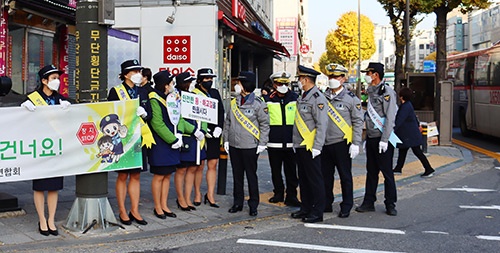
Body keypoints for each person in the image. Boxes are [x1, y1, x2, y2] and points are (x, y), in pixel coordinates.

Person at [21, 64, 71, 236]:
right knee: (40, 186)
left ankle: (51, 219)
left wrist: (69, 108)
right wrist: (23, 110)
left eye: (58, 78)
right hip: (40, 149)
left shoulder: (62, 99)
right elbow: (20, 122)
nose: (57, 81)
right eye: (53, 78)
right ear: (44, 80)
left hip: (56, 149)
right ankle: (42, 219)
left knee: (54, 186)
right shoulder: (32, 99)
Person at [107, 59, 150, 225]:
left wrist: (144, 114)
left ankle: (135, 210)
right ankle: (122, 210)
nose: (138, 74)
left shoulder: (143, 91)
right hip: (123, 139)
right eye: (134, 72)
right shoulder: (116, 91)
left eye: (139, 71)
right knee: (123, 175)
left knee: (136, 175)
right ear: (125, 74)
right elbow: (110, 114)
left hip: (139, 137)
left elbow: (150, 115)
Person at [223, 71, 270, 216]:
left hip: (250, 146)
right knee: (237, 175)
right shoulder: (233, 102)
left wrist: (262, 142)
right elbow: (227, 122)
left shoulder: (258, 103)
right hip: (234, 145)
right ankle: (237, 202)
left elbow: (265, 124)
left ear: (245, 85)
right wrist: (225, 139)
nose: (236, 85)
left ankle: (253, 204)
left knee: (251, 175)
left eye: (239, 83)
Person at [355, 62, 399, 216]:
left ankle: (390, 203)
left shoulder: (386, 91)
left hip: (383, 139)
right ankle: (368, 202)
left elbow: (390, 117)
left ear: (376, 75)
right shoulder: (370, 91)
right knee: (371, 172)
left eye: (369, 73)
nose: (366, 76)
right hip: (372, 138)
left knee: (387, 173)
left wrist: (385, 139)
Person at [321, 63, 363, 218]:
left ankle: (346, 204)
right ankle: (326, 202)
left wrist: (355, 143)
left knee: (345, 176)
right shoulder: (322, 97)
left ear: (344, 78)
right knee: (326, 175)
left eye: (336, 76)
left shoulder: (351, 99)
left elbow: (358, 121)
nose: (333, 79)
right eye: (331, 76)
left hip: (342, 143)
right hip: (324, 143)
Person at [147, 69, 188, 219]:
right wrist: (173, 139)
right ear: (165, 85)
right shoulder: (154, 99)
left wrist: (182, 133)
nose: (173, 85)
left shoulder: (172, 97)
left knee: (167, 175)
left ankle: (164, 205)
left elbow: (180, 118)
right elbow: (157, 124)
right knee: (159, 175)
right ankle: (157, 207)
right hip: (161, 144)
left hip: (173, 141)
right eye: (171, 83)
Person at [290, 65, 328, 223]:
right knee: (303, 178)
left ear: (306, 80)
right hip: (300, 145)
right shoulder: (303, 97)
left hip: (311, 146)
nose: (298, 81)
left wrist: (317, 146)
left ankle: (317, 211)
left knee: (315, 179)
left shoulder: (318, 98)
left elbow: (322, 124)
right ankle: (305, 207)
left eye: (299, 78)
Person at [263, 71, 300, 207]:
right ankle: (278, 193)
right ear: (274, 84)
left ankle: (292, 195)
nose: (282, 86)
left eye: (285, 83)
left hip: (292, 142)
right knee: (275, 171)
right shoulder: (268, 100)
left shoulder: (296, 98)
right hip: (274, 142)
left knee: (291, 171)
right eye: (279, 83)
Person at [192, 68, 224, 208]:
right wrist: (200, 130)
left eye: (211, 79)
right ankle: (197, 193)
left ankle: (210, 194)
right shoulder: (193, 94)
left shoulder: (215, 93)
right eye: (206, 79)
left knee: (213, 164)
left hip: (214, 133)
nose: (209, 81)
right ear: (199, 80)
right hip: (200, 133)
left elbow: (221, 112)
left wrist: (219, 127)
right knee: (199, 165)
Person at [174, 72, 206, 211]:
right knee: (181, 170)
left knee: (192, 168)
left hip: (197, 138)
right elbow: (178, 119)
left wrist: (203, 131)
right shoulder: (175, 97)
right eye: (189, 81)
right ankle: (180, 198)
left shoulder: (194, 96)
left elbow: (204, 115)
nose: (192, 84)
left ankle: (188, 198)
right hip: (185, 136)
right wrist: (193, 130)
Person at [393, 87, 435, 177]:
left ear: (401, 96)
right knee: (403, 150)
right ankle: (398, 168)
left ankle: (428, 168)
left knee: (417, 152)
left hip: (409, 135)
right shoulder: (408, 105)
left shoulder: (405, 107)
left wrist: (392, 129)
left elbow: (399, 120)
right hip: (409, 134)